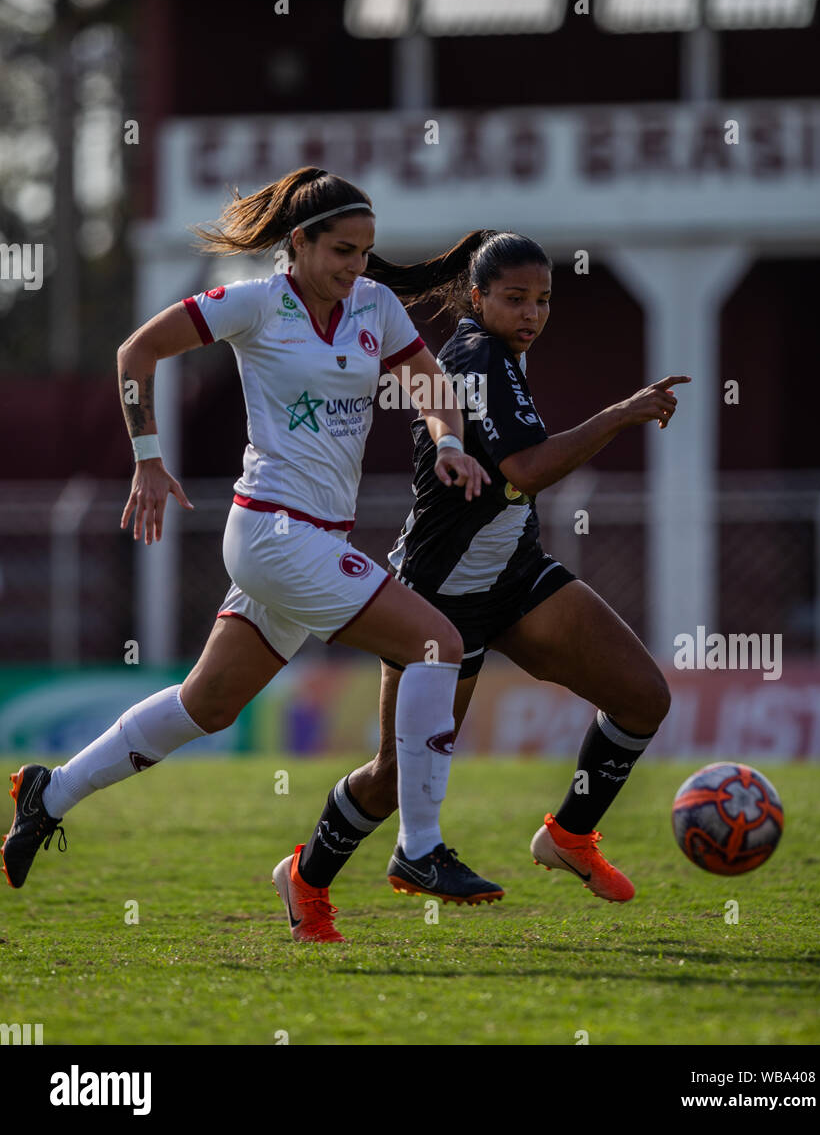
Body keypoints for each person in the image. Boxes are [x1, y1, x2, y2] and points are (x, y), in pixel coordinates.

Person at [1, 167, 503, 943]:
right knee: (436, 642)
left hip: (313, 541)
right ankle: (420, 849)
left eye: (366, 252)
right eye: (341, 250)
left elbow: (432, 387)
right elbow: (137, 352)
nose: (356, 267)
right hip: (272, 533)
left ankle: (49, 794)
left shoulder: (373, 307)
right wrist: (146, 457)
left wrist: (446, 443)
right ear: (296, 243)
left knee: (207, 706)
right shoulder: (255, 302)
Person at [293, 230, 689, 922]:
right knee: (392, 779)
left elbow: (519, 477)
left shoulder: (502, 354)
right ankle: (304, 878)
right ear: (477, 299)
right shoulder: (477, 355)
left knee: (641, 697)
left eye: (543, 300)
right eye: (515, 299)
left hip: (516, 576)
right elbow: (527, 470)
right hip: (440, 601)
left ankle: (569, 835)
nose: (532, 313)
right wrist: (621, 415)